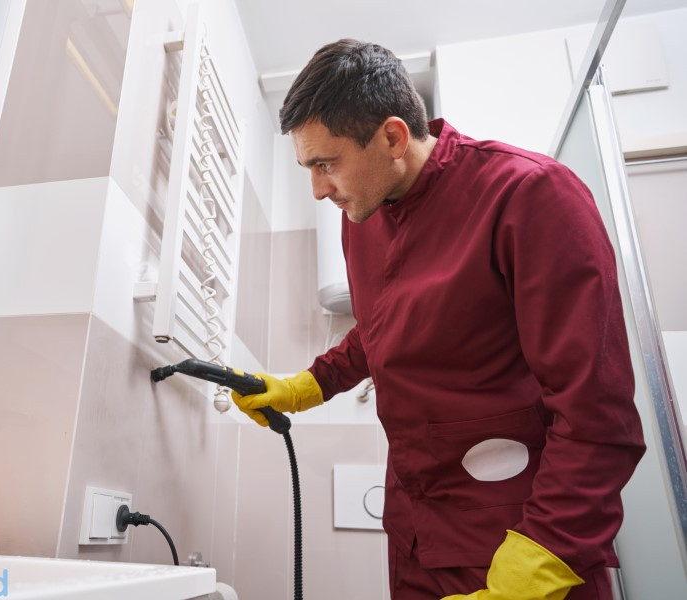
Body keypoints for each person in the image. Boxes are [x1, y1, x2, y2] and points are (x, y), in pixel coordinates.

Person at [231, 39, 646, 600]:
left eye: (326, 164)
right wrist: (308, 385)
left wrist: (537, 564)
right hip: (414, 538)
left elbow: (598, 413)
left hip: (518, 541)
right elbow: (381, 328)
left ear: (393, 137)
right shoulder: (363, 218)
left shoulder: (528, 197)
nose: (319, 189)